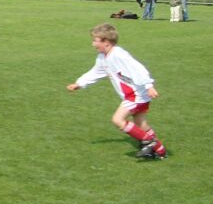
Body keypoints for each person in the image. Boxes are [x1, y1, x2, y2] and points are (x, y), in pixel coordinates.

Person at [66, 23, 168, 160]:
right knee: (141, 124)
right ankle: (160, 151)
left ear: (106, 42)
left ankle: (149, 142)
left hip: (136, 94)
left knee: (117, 119)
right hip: (134, 94)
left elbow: (137, 68)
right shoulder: (102, 57)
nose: (92, 44)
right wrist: (80, 83)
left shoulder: (119, 54)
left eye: (95, 40)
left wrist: (149, 85)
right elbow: (96, 72)